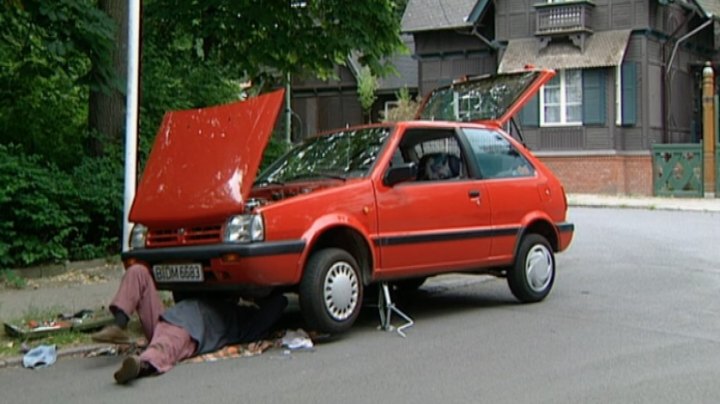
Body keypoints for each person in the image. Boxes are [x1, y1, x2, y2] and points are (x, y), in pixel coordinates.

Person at [91, 264, 287, 384]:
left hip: (190, 329)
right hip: (164, 319)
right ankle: (119, 323)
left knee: (166, 344)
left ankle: (142, 365)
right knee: (138, 272)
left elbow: (280, 302)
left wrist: (257, 293)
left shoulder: (247, 323)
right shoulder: (220, 297)